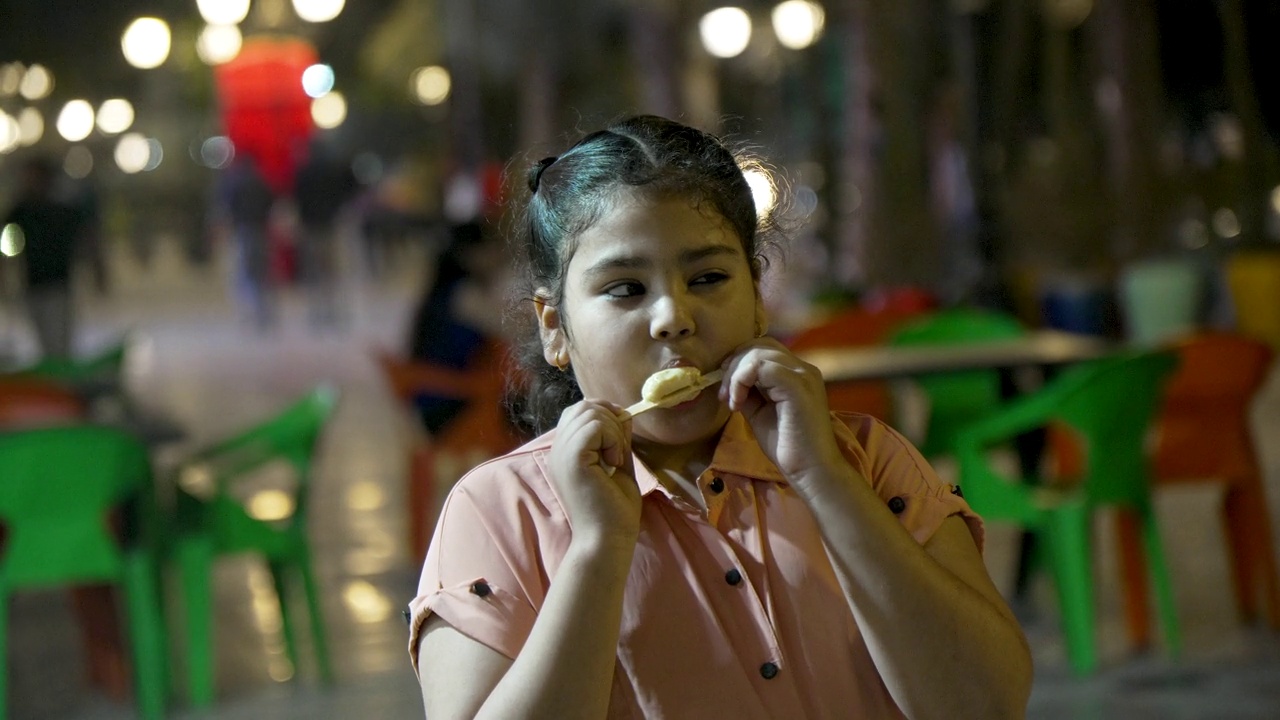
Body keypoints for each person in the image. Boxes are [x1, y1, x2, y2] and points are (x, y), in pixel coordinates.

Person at [407, 116, 1033, 719]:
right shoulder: (499, 511)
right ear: (555, 328)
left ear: (757, 299)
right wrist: (596, 552)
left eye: (708, 277)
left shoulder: (866, 463)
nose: (673, 317)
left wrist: (827, 482)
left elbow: (987, 705)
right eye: (625, 288)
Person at [3, 156, 85, 357]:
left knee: (59, 340)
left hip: (58, 285)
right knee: (44, 341)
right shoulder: (20, 212)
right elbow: (8, 245)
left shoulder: (62, 210)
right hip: (33, 285)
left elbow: (82, 240)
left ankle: (62, 379)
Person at [293, 139, 357, 329]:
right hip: (331, 224)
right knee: (332, 269)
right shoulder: (333, 169)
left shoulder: (304, 172)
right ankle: (334, 309)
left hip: (311, 225)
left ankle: (317, 311)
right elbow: (350, 187)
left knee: (314, 270)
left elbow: (297, 198)